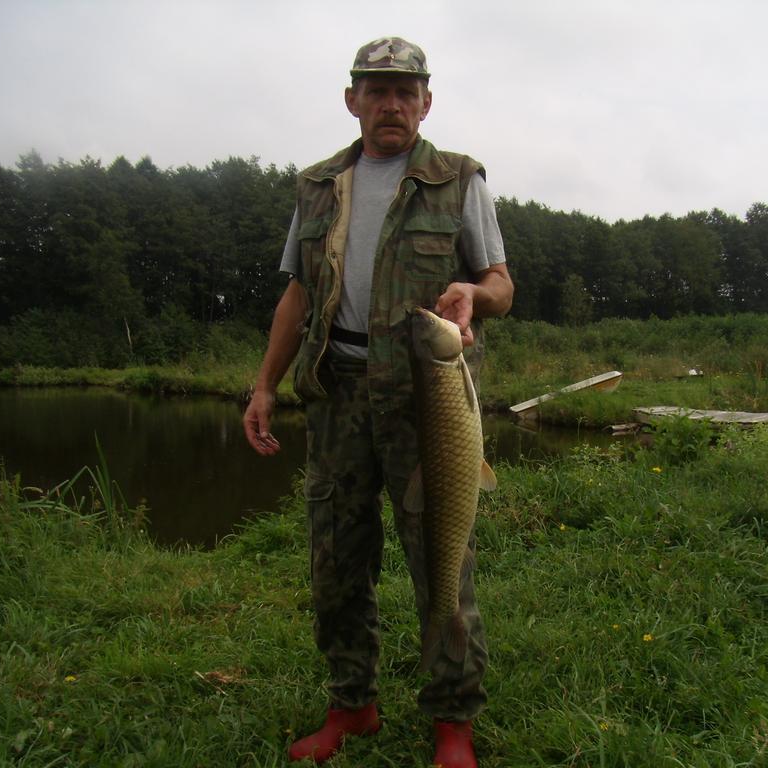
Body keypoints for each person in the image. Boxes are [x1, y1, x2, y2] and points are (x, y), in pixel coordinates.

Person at [243, 36, 513, 768]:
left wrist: (473, 295)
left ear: (426, 101)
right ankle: (351, 705)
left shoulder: (459, 181)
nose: (391, 104)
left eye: (405, 91)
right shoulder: (319, 185)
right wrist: (265, 383)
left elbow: (500, 284)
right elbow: (297, 293)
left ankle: (453, 722)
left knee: (441, 563)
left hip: (427, 399)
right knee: (337, 558)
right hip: (337, 395)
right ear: (352, 99)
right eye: (376, 90)